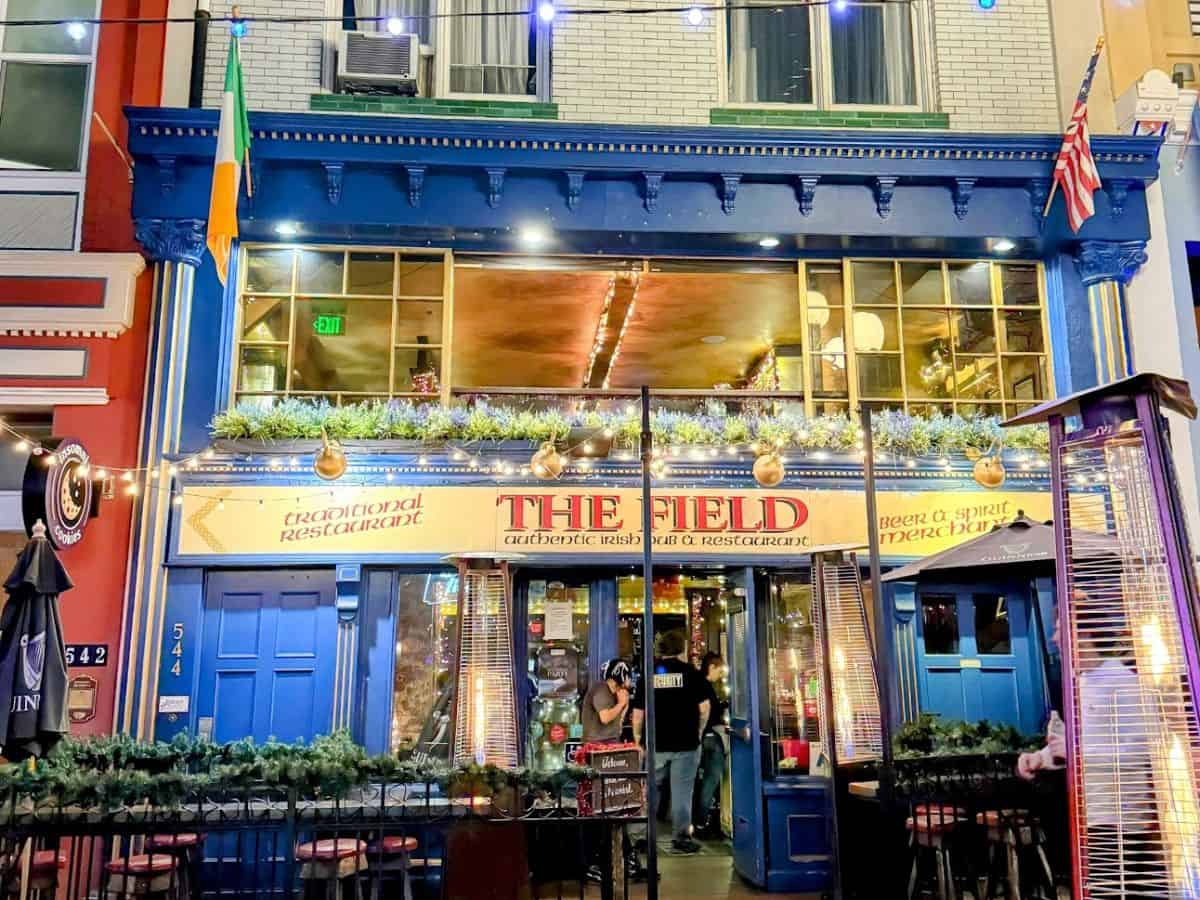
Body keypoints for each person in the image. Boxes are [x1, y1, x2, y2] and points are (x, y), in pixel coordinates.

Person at [631, 630, 710, 854]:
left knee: (649, 792)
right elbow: (704, 709)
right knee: (682, 792)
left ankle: (643, 837)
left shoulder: (649, 674)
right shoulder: (692, 674)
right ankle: (681, 838)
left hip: (656, 744)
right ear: (681, 649)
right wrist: (699, 732)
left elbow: (638, 712)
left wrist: (638, 740)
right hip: (686, 744)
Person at [581, 659, 651, 883]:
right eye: (627, 677)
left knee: (616, 807)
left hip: (611, 750)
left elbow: (617, 727)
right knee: (600, 808)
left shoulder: (616, 694)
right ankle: (593, 863)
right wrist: (621, 704)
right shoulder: (600, 690)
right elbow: (604, 718)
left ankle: (626, 860)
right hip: (597, 753)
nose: (629, 682)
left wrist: (624, 706)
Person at [693, 652, 728, 838]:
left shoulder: (696, 682)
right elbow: (705, 710)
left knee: (701, 780)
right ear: (711, 667)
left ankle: (698, 820)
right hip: (710, 737)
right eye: (719, 670)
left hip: (700, 738)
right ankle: (701, 821)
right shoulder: (705, 685)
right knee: (711, 780)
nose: (720, 675)